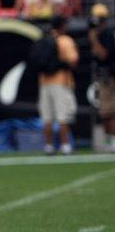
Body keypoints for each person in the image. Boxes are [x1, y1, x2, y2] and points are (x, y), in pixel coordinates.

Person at [34, 17, 79, 155]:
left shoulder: (43, 40)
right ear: (62, 26)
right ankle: (65, 146)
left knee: (47, 118)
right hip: (61, 82)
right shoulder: (65, 41)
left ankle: (48, 146)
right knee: (62, 117)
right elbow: (74, 61)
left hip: (44, 83)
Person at [88, 4, 115, 152]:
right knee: (105, 112)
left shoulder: (105, 34)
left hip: (109, 77)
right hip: (104, 76)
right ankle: (109, 140)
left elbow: (103, 55)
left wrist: (93, 40)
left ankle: (112, 141)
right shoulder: (103, 32)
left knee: (109, 111)